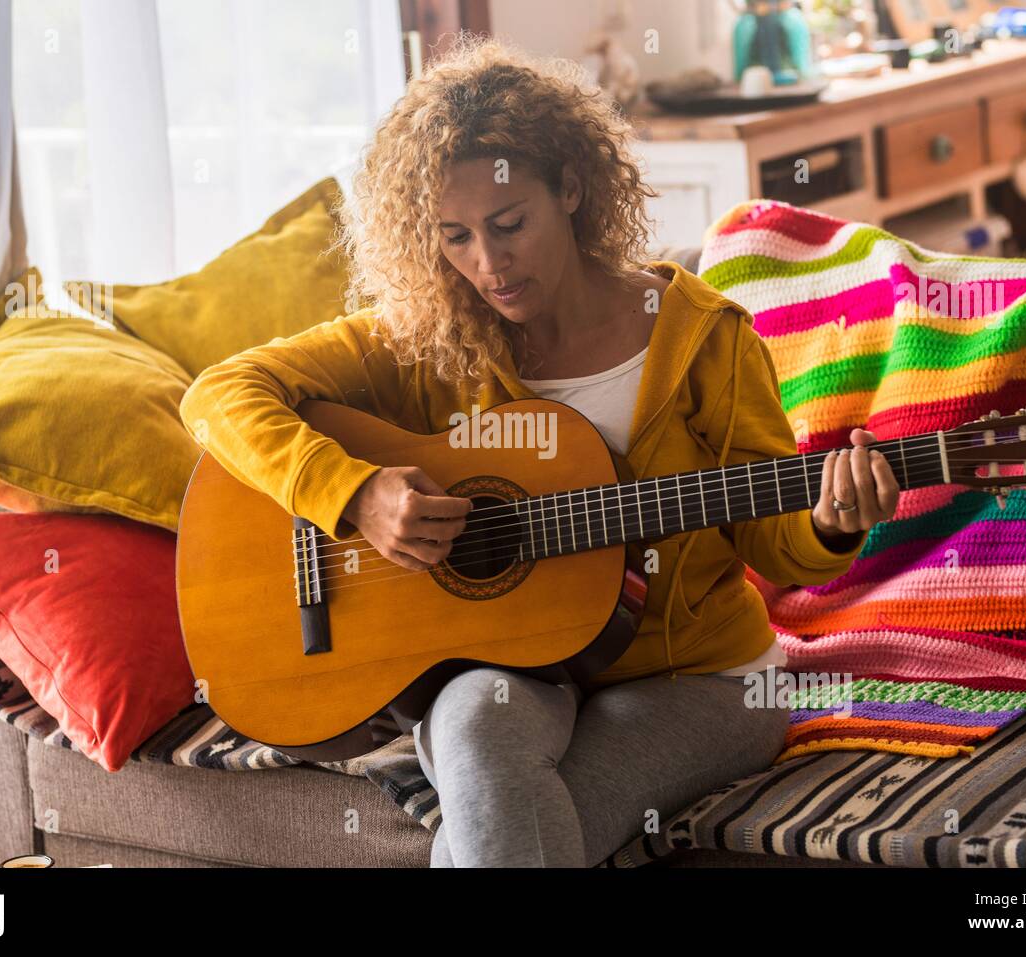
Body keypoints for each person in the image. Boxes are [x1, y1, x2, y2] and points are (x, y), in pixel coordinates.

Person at [178, 32, 899, 867]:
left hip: (696, 676)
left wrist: (834, 522)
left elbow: (775, 543)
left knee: (505, 829)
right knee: (480, 734)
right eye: (454, 237)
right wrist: (353, 493)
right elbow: (217, 395)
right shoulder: (429, 339)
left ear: (573, 188)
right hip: (508, 663)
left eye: (509, 223)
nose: (488, 263)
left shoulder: (701, 339)